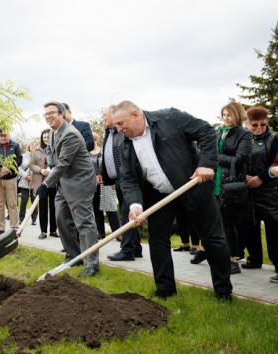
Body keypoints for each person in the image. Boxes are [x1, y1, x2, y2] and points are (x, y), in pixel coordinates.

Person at [113, 100, 233, 300]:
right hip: (159, 194)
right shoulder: (122, 141)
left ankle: (223, 291)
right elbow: (127, 177)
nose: (118, 129)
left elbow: (206, 131)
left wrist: (207, 163)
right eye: (115, 126)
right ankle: (165, 290)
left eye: (120, 123)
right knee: (158, 241)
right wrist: (135, 204)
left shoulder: (169, 118)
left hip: (193, 186)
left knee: (213, 239)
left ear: (136, 114)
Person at [38, 101, 99, 277]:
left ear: (62, 114)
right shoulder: (52, 133)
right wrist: (49, 168)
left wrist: (45, 184)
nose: (48, 116)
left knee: (84, 222)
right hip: (64, 182)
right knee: (61, 218)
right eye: (46, 114)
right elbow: (51, 154)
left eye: (52, 113)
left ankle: (91, 264)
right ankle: (74, 255)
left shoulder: (70, 134)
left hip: (80, 182)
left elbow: (64, 163)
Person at [210, 102, 252, 274]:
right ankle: (220, 256)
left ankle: (233, 260)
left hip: (232, 182)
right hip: (215, 181)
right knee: (217, 222)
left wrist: (217, 156)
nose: (225, 118)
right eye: (223, 115)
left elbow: (240, 158)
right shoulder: (219, 131)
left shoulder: (244, 134)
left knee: (229, 222)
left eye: (229, 115)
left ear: (237, 115)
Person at [98, 106, 142, 261]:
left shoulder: (122, 131)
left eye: (105, 116)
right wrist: (103, 174)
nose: (103, 119)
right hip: (115, 179)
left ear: (113, 114)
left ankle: (127, 250)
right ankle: (136, 247)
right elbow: (106, 155)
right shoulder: (108, 133)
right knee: (127, 212)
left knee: (126, 212)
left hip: (126, 178)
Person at [241, 107, 278, 273]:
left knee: (274, 228)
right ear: (247, 123)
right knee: (250, 225)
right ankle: (254, 259)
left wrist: (260, 178)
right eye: (254, 125)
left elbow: (275, 164)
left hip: (269, 191)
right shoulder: (241, 139)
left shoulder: (274, 139)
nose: (259, 128)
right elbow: (234, 161)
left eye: (262, 124)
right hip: (247, 191)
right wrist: (243, 177)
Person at [90, 131, 120, 241]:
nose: (91, 141)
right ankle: (101, 233)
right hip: (92, 185)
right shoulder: (86, 153)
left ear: (96, 140)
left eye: (93, 139)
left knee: (110, 208)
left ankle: (117, 233)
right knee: (97, 209)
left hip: (105, 184)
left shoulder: (103, 151)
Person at [0, 129, 22, 236]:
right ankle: (0, 227)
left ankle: (14, 227)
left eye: (5, 136)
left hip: (11, 179)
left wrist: (8, 168)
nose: (3, 138)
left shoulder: (15, 145)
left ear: (9, 134)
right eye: (1, 136)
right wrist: (0, 169)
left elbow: (19, 160)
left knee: (12, 204)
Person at [30, 129, 58, 240]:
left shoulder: (56, 149)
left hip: (54, 181)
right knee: (42, 206)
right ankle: (43, 231)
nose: (46, 139)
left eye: (48, 137)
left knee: (54, 206)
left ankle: (53, 230)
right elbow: (31, 165)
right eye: (44, 137)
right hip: (41, 182)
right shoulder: (37, 150)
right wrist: (41, 170)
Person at [18, 141, 38, 227]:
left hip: (35, 182)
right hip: (25, 181)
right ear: (28, 146)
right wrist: (26, 176)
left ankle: (34, 219)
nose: (33, 147)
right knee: (24, 200)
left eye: (35, 145)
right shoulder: (23, 156)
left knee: (34, 200)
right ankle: (21, 219)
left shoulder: (39, 156)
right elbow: (19, 168)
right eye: (31, 145)